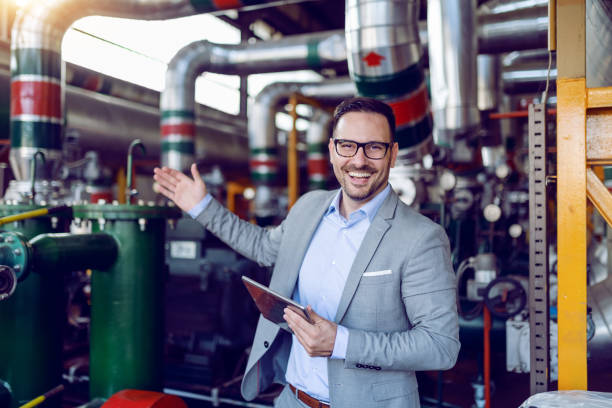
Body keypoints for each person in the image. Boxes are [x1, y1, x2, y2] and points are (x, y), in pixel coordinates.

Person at [154, 97, 460, 408]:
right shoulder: (309, 207)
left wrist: (340, 342)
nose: (359, 160)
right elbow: (263, 247)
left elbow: (440, 345)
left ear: (392, 154)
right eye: (347, 146)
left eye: (374, 147)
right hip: (292, 400)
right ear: (331, 150)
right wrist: (203, 208)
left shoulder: (421, 238)